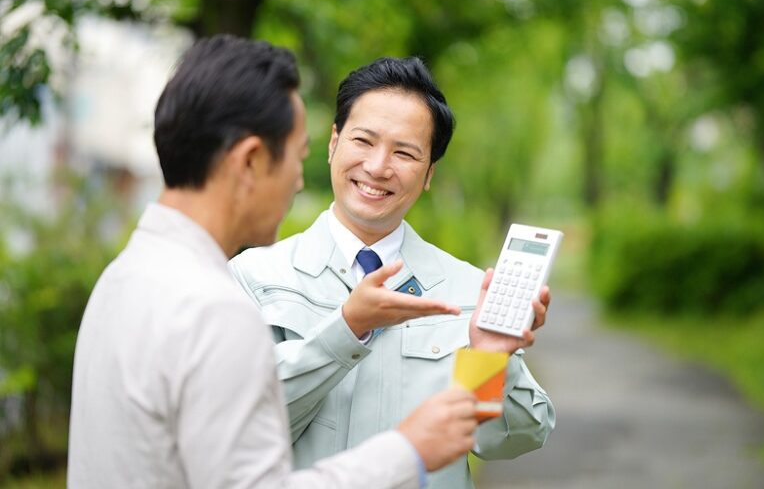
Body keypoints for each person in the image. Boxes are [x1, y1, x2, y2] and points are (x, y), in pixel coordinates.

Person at [67, 35, 481, 489]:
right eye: (297, 158)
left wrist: (492, 356)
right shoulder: (218, 306)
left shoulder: (123, 276)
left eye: (403, 152)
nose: (300, 181)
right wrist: (408, 451)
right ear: (251, 161)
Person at [229, 56, 556, 489]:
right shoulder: (254, 278)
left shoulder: (464, 290)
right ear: (333, 143)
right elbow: (238, 429)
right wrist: (347, 328)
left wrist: (491, 358)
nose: (379, 166)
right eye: (363, 141)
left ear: (428, 175)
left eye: (404, 152)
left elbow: (509, 439)